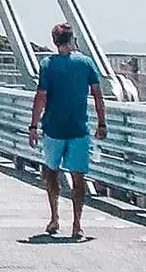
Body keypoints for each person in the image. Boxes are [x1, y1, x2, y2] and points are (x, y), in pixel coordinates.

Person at [28, 24, 107, 239]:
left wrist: (33, 126)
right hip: (79, 128)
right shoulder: (86, 63)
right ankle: (77, 224)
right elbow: (98, 95)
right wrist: (102, 123)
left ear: (54, 42)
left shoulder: (47, 64)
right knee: (78, 178)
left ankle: (54, 217)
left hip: (53, 128)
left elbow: (41, 96)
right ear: (72, 40)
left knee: (51, 172)